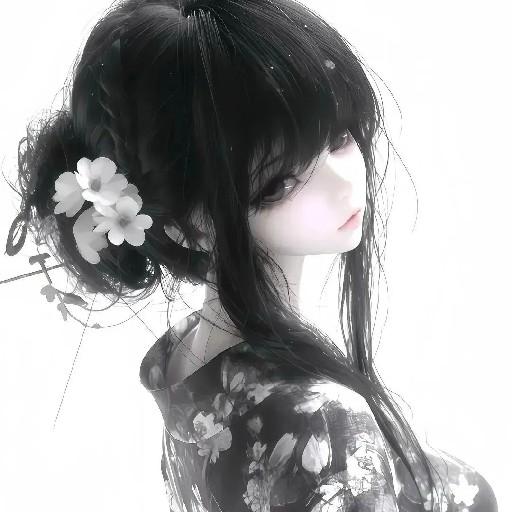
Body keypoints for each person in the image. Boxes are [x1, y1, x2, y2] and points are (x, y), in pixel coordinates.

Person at [5, 0, 498, 510]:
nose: (343, 181)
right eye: (279, 183)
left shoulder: (185, 359)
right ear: (183, 227)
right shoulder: (321, 429)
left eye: (339, 137)